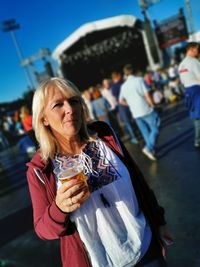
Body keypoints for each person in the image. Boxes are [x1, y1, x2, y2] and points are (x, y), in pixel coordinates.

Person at [27, 77, 173, 267]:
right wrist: (59, 208)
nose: (70, 109)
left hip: (145, 248)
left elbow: (139, 181)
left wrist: (158, 221)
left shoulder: (104, 135)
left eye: (73, 101)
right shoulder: (41, 168)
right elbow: (43, 230)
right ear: (43, 118)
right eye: (58, 105)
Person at [119, 64, 160, 161]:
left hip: (135, 112)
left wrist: (129, 104)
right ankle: (149, 148)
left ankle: (151, 149)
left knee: (145, 132)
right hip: (145, 108)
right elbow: (147, 94)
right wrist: (153, 105)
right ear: (133, 71)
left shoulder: (123, 86)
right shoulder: (139, 80)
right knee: (156, 126)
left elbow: (120, 100)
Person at [178, 42, 200, 148]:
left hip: (188, 91)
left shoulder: (181, 64)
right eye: (196, 49)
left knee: (196, 117)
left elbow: (182, 81)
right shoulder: (194, 61)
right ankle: (197, 140)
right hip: (196, 90)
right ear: (191, 49)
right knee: (198, 117)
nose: (198, 51)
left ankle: (197, 140)